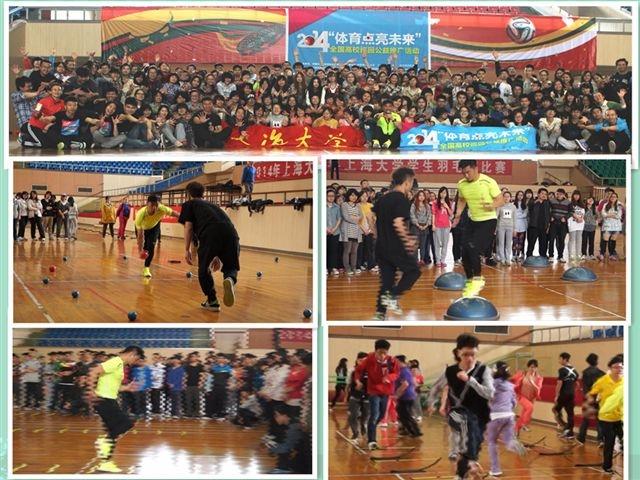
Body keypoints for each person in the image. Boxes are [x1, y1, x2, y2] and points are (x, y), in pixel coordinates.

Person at [427, 334, 495, 479]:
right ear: (458, 353)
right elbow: (436, 388)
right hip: (456, 412)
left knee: (473, 444)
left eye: (473, 354)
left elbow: (490, 393)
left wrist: (470, 380)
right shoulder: (450, 371)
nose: (469, 358)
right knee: (467, 424)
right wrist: (432, 402)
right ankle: (469, 462)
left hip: (480, 415)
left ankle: (463, 472)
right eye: (465, 354)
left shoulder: (484, 370)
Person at [178, 181, 241, 311]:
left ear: (188, 194)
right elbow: (220, 226)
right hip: (232, 234)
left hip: (210, 235)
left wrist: (186, 249)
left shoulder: (189, 204)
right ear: (203, 193)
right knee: (231, 265)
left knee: (204, 269)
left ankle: (212, 301)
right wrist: (217, 254)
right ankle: (230, 279)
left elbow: (188, 227)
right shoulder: (213, 206)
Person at [85, 345, 145, 473]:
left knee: (113, 431)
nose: (134, 362)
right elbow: (93, 371)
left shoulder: (120, 365)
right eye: (136, 359)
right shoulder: (115, 361)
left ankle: (105, 462)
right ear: (132, 354)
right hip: (103, 400)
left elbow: (114, 386)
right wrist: (91, 390)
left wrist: (126, 388)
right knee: (125, 425)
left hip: (110, 399)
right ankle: (103, 442)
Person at [371, 168, 421, 320]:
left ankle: (380, 314)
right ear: (407, 182)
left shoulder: (383, 199)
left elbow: (372, 219)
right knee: (413, 272)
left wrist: (377, 235)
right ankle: (393, 297)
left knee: (387, 282)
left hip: (381, 247)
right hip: (395, 247)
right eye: (411, 183)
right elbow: (398, 222)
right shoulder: (401, 199)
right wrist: (408, 239)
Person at [452, 160, 504, 298]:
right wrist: (457, 215)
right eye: (463, 173)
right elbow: (462, 200)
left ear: (476, 168)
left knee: (473, 248)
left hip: (488, 221)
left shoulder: (488, 182)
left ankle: (477, 279)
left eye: (468, 172)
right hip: (473, 221)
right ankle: (470, 281)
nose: (466, 175)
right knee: (464, 252)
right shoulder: (461, 184)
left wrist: (491, 205)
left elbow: (500, 200)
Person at [353, 339, 400, 450]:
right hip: (374, 390)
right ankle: (372, 441)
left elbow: (396, 373)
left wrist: (389, 377)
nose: (382, 355)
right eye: (380, 353)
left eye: (385, 353)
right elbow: (358, 370)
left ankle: (370, 426)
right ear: (375, 351)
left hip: (386, 391)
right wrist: (358, 381)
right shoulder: (369, 359)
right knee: (374, 414)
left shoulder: (392, 360)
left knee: (382, 415)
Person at [486, 361, 526, 477]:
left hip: (496, 416)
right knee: (508, 441)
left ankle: (495, 469)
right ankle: (514, 445)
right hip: (509, 415)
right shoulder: (510, 385)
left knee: (492, 442)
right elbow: (514, 402)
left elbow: (487, 398)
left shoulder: (492, 384)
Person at [588, 355, 623, 474]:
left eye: (621, 367)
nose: (619, 369)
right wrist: (592, 406)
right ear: (610, 368)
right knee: (610, 441)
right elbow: (592, 394)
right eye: (616, 367)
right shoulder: (603, 381)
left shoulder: (625, 381)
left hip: (620, 417)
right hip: (606, 418)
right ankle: (607, 466)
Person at [135, 195, 179, 278]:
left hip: (154, 227)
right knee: (144, 247)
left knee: (151, 247)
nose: (154, 208)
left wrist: (187, 220)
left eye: (156, 205)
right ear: (147, 204)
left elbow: (177, 215)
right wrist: (140, 250)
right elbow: (140, 236)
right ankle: (144, 249)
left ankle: (146, 268)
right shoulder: (141, 214)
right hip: (143, 228)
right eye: (152, 205)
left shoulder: (162, 208)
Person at [577, 353, 605, 445]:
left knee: (585, 419)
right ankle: (600, 440)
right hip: (599, 399)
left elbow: (585, 387)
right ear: (597, 361)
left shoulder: (585, 372)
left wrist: (588, 397)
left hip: (588, 398)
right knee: (599, 420)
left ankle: (581, 438)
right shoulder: (602, 373)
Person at [552, 352, 579, 439]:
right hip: (571, 394)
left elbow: (559, 383)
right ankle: (570, 433)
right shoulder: (575, 371)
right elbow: (577, 384)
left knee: (555, 410)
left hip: (563, 394)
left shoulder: (562, 370)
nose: (559, 360)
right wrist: (573, 391)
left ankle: (565, 427)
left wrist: (556, 395)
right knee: (570, 414)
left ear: (564, 359)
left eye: (560, 359)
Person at [394, 355, 422, 438]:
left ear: (399, 361)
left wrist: (397, 395)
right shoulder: (402, 370)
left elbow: (405, 384)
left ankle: (415, 431)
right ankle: (408, 429)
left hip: (406, 396)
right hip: (405, 396)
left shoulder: (404, 371)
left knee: (406, 414)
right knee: (402, 414)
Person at [514, 359, 543, 434]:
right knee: (530, 407)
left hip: (531, 399)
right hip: (521, 396)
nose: (532, 369)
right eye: (531, 367)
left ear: (536, 368)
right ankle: (524, 425)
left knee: (523, 415)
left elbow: (538, 388)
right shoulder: (523, 374)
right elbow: (514, 380)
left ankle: (516, 430)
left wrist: (532, 382)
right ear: (528, 367)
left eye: (534, 367)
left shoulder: (539, 378)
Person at [347, 352, 369, 442]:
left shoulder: (371, 371)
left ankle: (363, 427)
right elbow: (348, 384)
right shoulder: (352, 371)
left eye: (364, 361)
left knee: (365, 416)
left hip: (367, 397)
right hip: (355, 396)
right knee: (353, 415)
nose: (362, 362)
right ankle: (355, 433)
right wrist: (346, 396)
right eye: (360, 360)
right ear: (357, 360)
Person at [526, 188, 551, 258]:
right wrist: (536, 201)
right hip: (534, 226)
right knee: (531, 242)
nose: (544, 195)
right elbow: (529, 206)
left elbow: (549, 215)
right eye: (542, 193)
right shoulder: (533, 201)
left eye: (545, 194)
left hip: (543, 226)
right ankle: (529, 255)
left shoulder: (547, 203)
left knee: (543, 243)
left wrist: (548, 226)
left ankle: (543, 255)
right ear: (538, 194)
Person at [599, 192, 623, 261]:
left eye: (614, 197)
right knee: (605, 239)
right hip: (607, 225)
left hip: (616, 226)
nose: (613, 198)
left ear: (617, 198)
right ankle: (602, 254)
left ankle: (611, 254)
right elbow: (603, 214)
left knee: (613, 240)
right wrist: (611, 215)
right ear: (610, 198)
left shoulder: (619, 206)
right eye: (612, 196)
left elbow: (619, 216)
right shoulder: (605, 205)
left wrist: (608, 215)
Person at [548, 188, 570, 262]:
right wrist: (550, 216)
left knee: (561, 241)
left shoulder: (568, 202)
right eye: (557, 194)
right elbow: (548, 210)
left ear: (563, 195)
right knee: (551, 240)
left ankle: (560, 256)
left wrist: (565, 218)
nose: (559, 195)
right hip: (553, 223)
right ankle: (551, 256)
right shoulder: (552, 201)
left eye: (560, 194)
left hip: (563, 224)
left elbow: (571, 212)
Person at [432, 187, 452, 267]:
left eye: (445, 193)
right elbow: (433, 214)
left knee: (445, 244)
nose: (443, 194)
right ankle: (438, 261)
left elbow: (451, 214)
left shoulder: (448, 203)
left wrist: (447, 206)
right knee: (437, 244)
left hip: (446, 226)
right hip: (437, 225)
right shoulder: (435, 202)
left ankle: (443, 260)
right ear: (439, 193)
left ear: (447, 194)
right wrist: (433, 225)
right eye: (442, 192)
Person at [495, 191, 516, 265]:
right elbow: (496, 217)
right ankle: (502, 259)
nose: (506, 198)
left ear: (510, 198)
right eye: (505, 196)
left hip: (510, 227)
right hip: (501, 226)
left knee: (508, 243)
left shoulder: (513, 207)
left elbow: (514, 218)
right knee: (501, 243)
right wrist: (495, 228)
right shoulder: (499, 206)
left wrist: (515, 229)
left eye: (508, 196)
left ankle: (508, 259)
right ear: (502, 197)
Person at [326, 189, 341, 275]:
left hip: (335, 232)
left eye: (332, 196)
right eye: (329, 196)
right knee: (326, 250)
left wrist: (334, 229)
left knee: (334, 251)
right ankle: (325, 268)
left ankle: (333, 268)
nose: (331, 197)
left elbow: (339, 219)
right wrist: (326, 229)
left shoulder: (337, 207)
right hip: (325, 232)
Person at [567, 190, 585, 262]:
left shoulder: (582, 204)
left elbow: (583, 213)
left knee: (579, 239)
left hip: (580, 223)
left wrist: (581, 218)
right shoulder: (570, 203)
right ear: (573, 195)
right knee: (572, 239)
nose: (576, 196)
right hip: (572, 223)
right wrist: (577, 218)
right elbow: (571, 212)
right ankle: (570, 254)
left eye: (578, 195)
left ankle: (578, 254)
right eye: (575, 195)